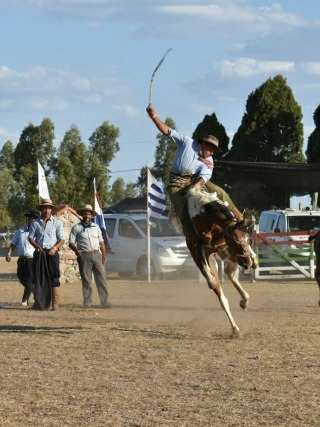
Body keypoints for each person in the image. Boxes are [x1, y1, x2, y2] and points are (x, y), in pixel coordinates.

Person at [146, 104, 244, 237]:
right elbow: (168, 131)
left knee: (220, 191)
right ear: (203, 144)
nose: (212, 152)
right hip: (176, 184)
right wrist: (154, 117)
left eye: (214, 150)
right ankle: (191, 234)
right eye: (211, 149)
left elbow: (205, 175)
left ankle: (240, 218)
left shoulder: (209, 160)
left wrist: (197, 186)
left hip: (194, 181)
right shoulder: (187, 142)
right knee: (182, 208)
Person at [69, 204, 111, 309]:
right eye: (85, 214)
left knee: (101, 279)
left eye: (89, 214)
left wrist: (104, 255)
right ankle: (87, 303)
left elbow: (101, 242)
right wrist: (76, 250)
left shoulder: (96, 227)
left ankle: (105, 302)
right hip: (85, 255)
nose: (87, 216)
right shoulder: (76, 227)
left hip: (97, 254)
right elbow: (71, 242)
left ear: (91, 215)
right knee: (87, 280)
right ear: (82, 215)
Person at [28, 198, 65, 311]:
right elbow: (30, 237)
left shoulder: (57, 223)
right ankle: (37, 303)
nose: (47, 210)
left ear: (51, 210)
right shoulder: (35, 223)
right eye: (44, 208)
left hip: (52, 253)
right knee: (37, 278)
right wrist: (36, 246)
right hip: (40, 253)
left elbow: (62, 239)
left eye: (49, 208)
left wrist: (55, 248)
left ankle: (55, 304)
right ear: (41, 209)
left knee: (54, 278)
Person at [6, 210, 39, 306]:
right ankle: (36, 292)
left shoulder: (38, 232)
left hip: (32, 259)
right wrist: (9, 254)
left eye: (34, 218)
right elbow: (13, 243)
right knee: (21, 278)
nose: (32, 219)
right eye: (31, 218)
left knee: (29, 279)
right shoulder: (21, 230)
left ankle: (25, 300)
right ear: (28, 219)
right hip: (21, 259)